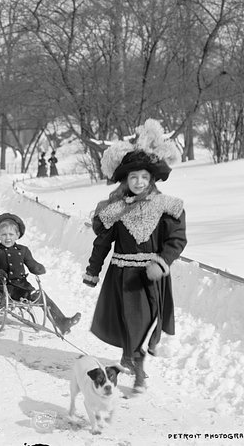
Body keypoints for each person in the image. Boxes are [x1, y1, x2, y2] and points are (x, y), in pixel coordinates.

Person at [82, 119, 186, 395]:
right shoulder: (115, 210)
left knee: (149, 323)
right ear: (126, 180)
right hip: (123, 277)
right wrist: (93, 270)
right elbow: (102, 242)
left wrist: (162, 261)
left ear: (152, 179)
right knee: (134, 323)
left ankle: (131, 357)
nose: (139, 182)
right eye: (133, 177)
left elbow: (177, 239)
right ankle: (138, 371)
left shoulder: (167, 207)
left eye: (144, 177)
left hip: (153, 277)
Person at [0, 213, 81, 336]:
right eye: (4, 234)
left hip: (21, 288)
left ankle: (62, 322)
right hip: (0, 287)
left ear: (18, 235)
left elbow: (31, 263)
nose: (8, 238)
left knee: (40, 295)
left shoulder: (23, 250)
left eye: (11, 234)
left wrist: (37, 268)